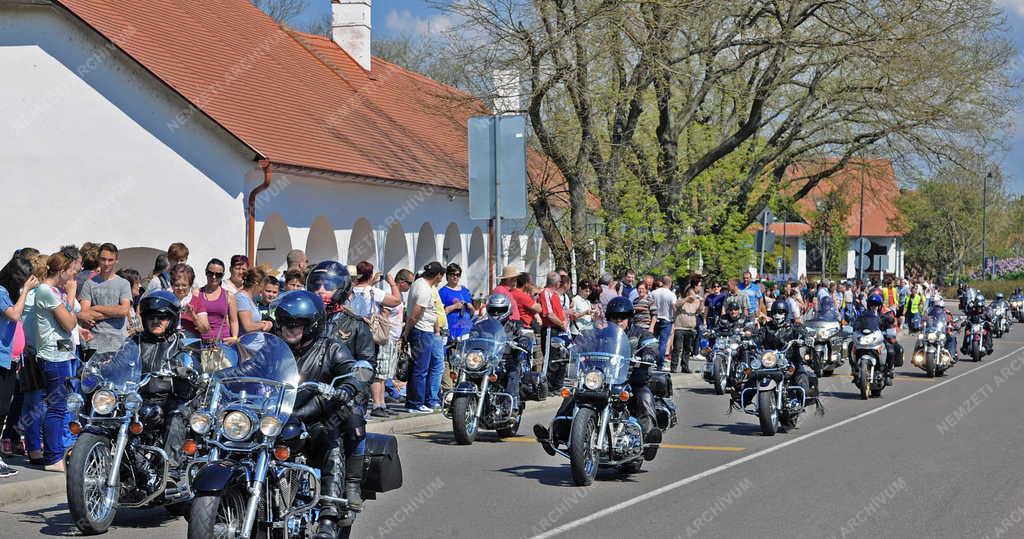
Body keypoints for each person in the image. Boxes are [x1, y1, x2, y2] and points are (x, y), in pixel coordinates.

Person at [271, 290, 370, 537]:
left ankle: (329, 513)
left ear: (312, 325)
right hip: (274, 418)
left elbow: (352, 371)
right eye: (285, 323)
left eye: (298, 324)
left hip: (313, 418)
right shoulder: (272, 345)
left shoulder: (331, 348)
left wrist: (347, 387)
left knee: (331, 438)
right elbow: (250, 366)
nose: (289, 329)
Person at [534, 296, 663, 460]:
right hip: (602, 379)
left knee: (645, 396)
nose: (618, 321)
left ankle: (648, 441)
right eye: (614, 318)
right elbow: (582, 343)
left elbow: (651, 344)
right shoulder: (600, 333)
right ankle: (554, 436)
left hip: (631, 379)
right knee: (573, 394)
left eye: (622, 318)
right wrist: (569, 350)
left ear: (629, 318)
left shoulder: (639, 333)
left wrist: (650, 354)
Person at [133, 291, 194, 474]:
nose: (156, 321)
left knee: (177, 414)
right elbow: (117, 362)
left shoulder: (182, 342)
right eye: (151, 317)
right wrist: (98, 368)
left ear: (172, 319)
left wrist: (187, 369)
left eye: (162, 317)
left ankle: (171, 471)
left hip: (172, 398)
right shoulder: (134, 341)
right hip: (139, 398)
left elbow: (196, 363)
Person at [34, 252, 81, 470]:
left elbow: (71, 320)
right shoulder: (46, 291)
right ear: (61, 271)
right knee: (57, 408)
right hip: (53, 357)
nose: (74, 275)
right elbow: (69, 324)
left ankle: (55, 452)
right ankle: (52, 457)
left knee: (60, 406)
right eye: (71, 270)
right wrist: (71, 295)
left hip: (62, 354)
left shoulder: (55, 291)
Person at [0, 255, 39, 477]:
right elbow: (14, 315)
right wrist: (25, 291)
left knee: (3, 408)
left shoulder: (7, 293)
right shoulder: (0, 292)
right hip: (1, 358)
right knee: (1, 409)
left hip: (8, 359)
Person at [308, 262, 375, 367]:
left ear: (342, 288)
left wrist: (351, 383)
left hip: (340, 382)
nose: (320, 290)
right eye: (316, 285)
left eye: (328, 286)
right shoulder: (303, 320)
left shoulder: (357, 326)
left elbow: (367, 366)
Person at [402, 262, 446, 413]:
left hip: (423, 331)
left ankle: (414, 401)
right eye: (442, 275)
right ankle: (415, 403)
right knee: (421, 369)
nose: (442, 278)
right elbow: (415, 314)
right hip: (422, 331)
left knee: (418, 368)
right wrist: (407, 332)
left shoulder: (418, 283)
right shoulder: (425, 290)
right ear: (438, 275)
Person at [370, 269, 412, 417]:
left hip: (393, 338)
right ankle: (377, 405)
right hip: (386, 338)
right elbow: (384, 314)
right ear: (401, 282)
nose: (410, 287)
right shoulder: (390, 292)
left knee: (385, 373)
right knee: (379, 372)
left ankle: (382, 403)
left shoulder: (398, 295)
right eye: (409, 283)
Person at [78, 243, 133, 356]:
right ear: (98, 259)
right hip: (95, 344)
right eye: (103, 259)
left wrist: (97, 308)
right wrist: (115, 311)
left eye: (110, 260)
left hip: (119, 343)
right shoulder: (89, 284)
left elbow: (123, 311)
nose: (106, 263)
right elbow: (85, 314)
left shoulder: (124, 284)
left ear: (116, 260)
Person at [850, 294, 902, 386]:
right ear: (869, 305)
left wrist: (889, 329)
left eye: (876, 305)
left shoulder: (883, 316)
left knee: (890, 350)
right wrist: (852, 328)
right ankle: (854, 369)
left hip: (879, 338)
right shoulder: (863, 316)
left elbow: (890, 324)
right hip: (866, 338)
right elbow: (856, 324)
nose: (874, 306)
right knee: (851, 345)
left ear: (880, 305)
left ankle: (889, 371)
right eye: (872, 304)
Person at [194, 258, 238, 343]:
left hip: (224, 342)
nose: (214, 277)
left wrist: (235, 337)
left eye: (218, 275)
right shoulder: (197, 293)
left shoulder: (228, 295)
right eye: (210, 273)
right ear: (206, 272)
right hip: (201, 342)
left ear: (223, 275)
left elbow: (234, 321)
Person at [539, 272, 569, 389]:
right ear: (557, 283)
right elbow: (549, 314)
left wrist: (564, 323)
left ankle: (557, 385)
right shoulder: (545, 293)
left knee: (561, 357)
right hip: (551, 329)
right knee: (550, 359)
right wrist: (561, 323)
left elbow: (559, 311)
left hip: (560, 329)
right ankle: (546, 386)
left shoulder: (555, 295)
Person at [437, 263, 473, 340]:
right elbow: (440, 314)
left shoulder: (465, 290)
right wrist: (454, 307)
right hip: (451, 329)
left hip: (466, 329)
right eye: (453, 274)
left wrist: (470, 306)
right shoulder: (442, 292)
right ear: (447, 276)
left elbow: (472, 312)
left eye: (458, 275)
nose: (455, 277)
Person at [168, 263, 203, 339]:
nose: (180, 288)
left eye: (184, 285)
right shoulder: (166, 300)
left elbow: (204, 330)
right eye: (177, 285)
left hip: (190, 343)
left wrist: (193, 317)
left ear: (190, 285)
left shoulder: (197, 301)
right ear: (172, 285)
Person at [236, 267, 273, 334]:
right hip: (247, 343)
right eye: (262, 286)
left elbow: (254, 322)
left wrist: (266, 323)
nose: (262, 290)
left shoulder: (252, 299)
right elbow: (248, 327)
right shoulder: (241, 298)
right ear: (256, 284)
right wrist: (264, 325)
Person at [671, 287, 701, 373]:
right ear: (687, 293)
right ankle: (673, 367)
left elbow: (699, 310)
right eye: (691, 293)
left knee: (687, 349)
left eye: (694, 293)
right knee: (677, 348)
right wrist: (687, 299)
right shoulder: (682, 300)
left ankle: (685, 366)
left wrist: (701, 301)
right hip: (680, 328)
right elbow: (676, 305)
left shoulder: (696, 302)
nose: (693, 295)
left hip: (690, 329)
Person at [650, 276, 676, 370]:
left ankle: (651, 361)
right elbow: (674, 308)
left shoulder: (654, 293)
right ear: (670, 283)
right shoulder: (671, 294)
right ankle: (659, 364)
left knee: (653, 342)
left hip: (655, 319)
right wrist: (675, 318)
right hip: (666, 319)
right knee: (663, 343)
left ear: (662, 282)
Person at [925, 295, 958, 362]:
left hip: (942, 331)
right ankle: (915, 355)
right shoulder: (928, 312)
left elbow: (951, 321)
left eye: (935, 302)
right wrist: (922, 324)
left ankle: (951, 356)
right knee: (920, 339)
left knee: (951, 337)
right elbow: (924, 320)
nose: (934, 304)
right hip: (931, 331)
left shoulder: (946, 312)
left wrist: (952, 325)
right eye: (933, 302)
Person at [116, 268, 144, 337]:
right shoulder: (119, 309)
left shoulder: (132, 305)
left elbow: (139, 328)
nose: (140, 286)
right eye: (137, 283)